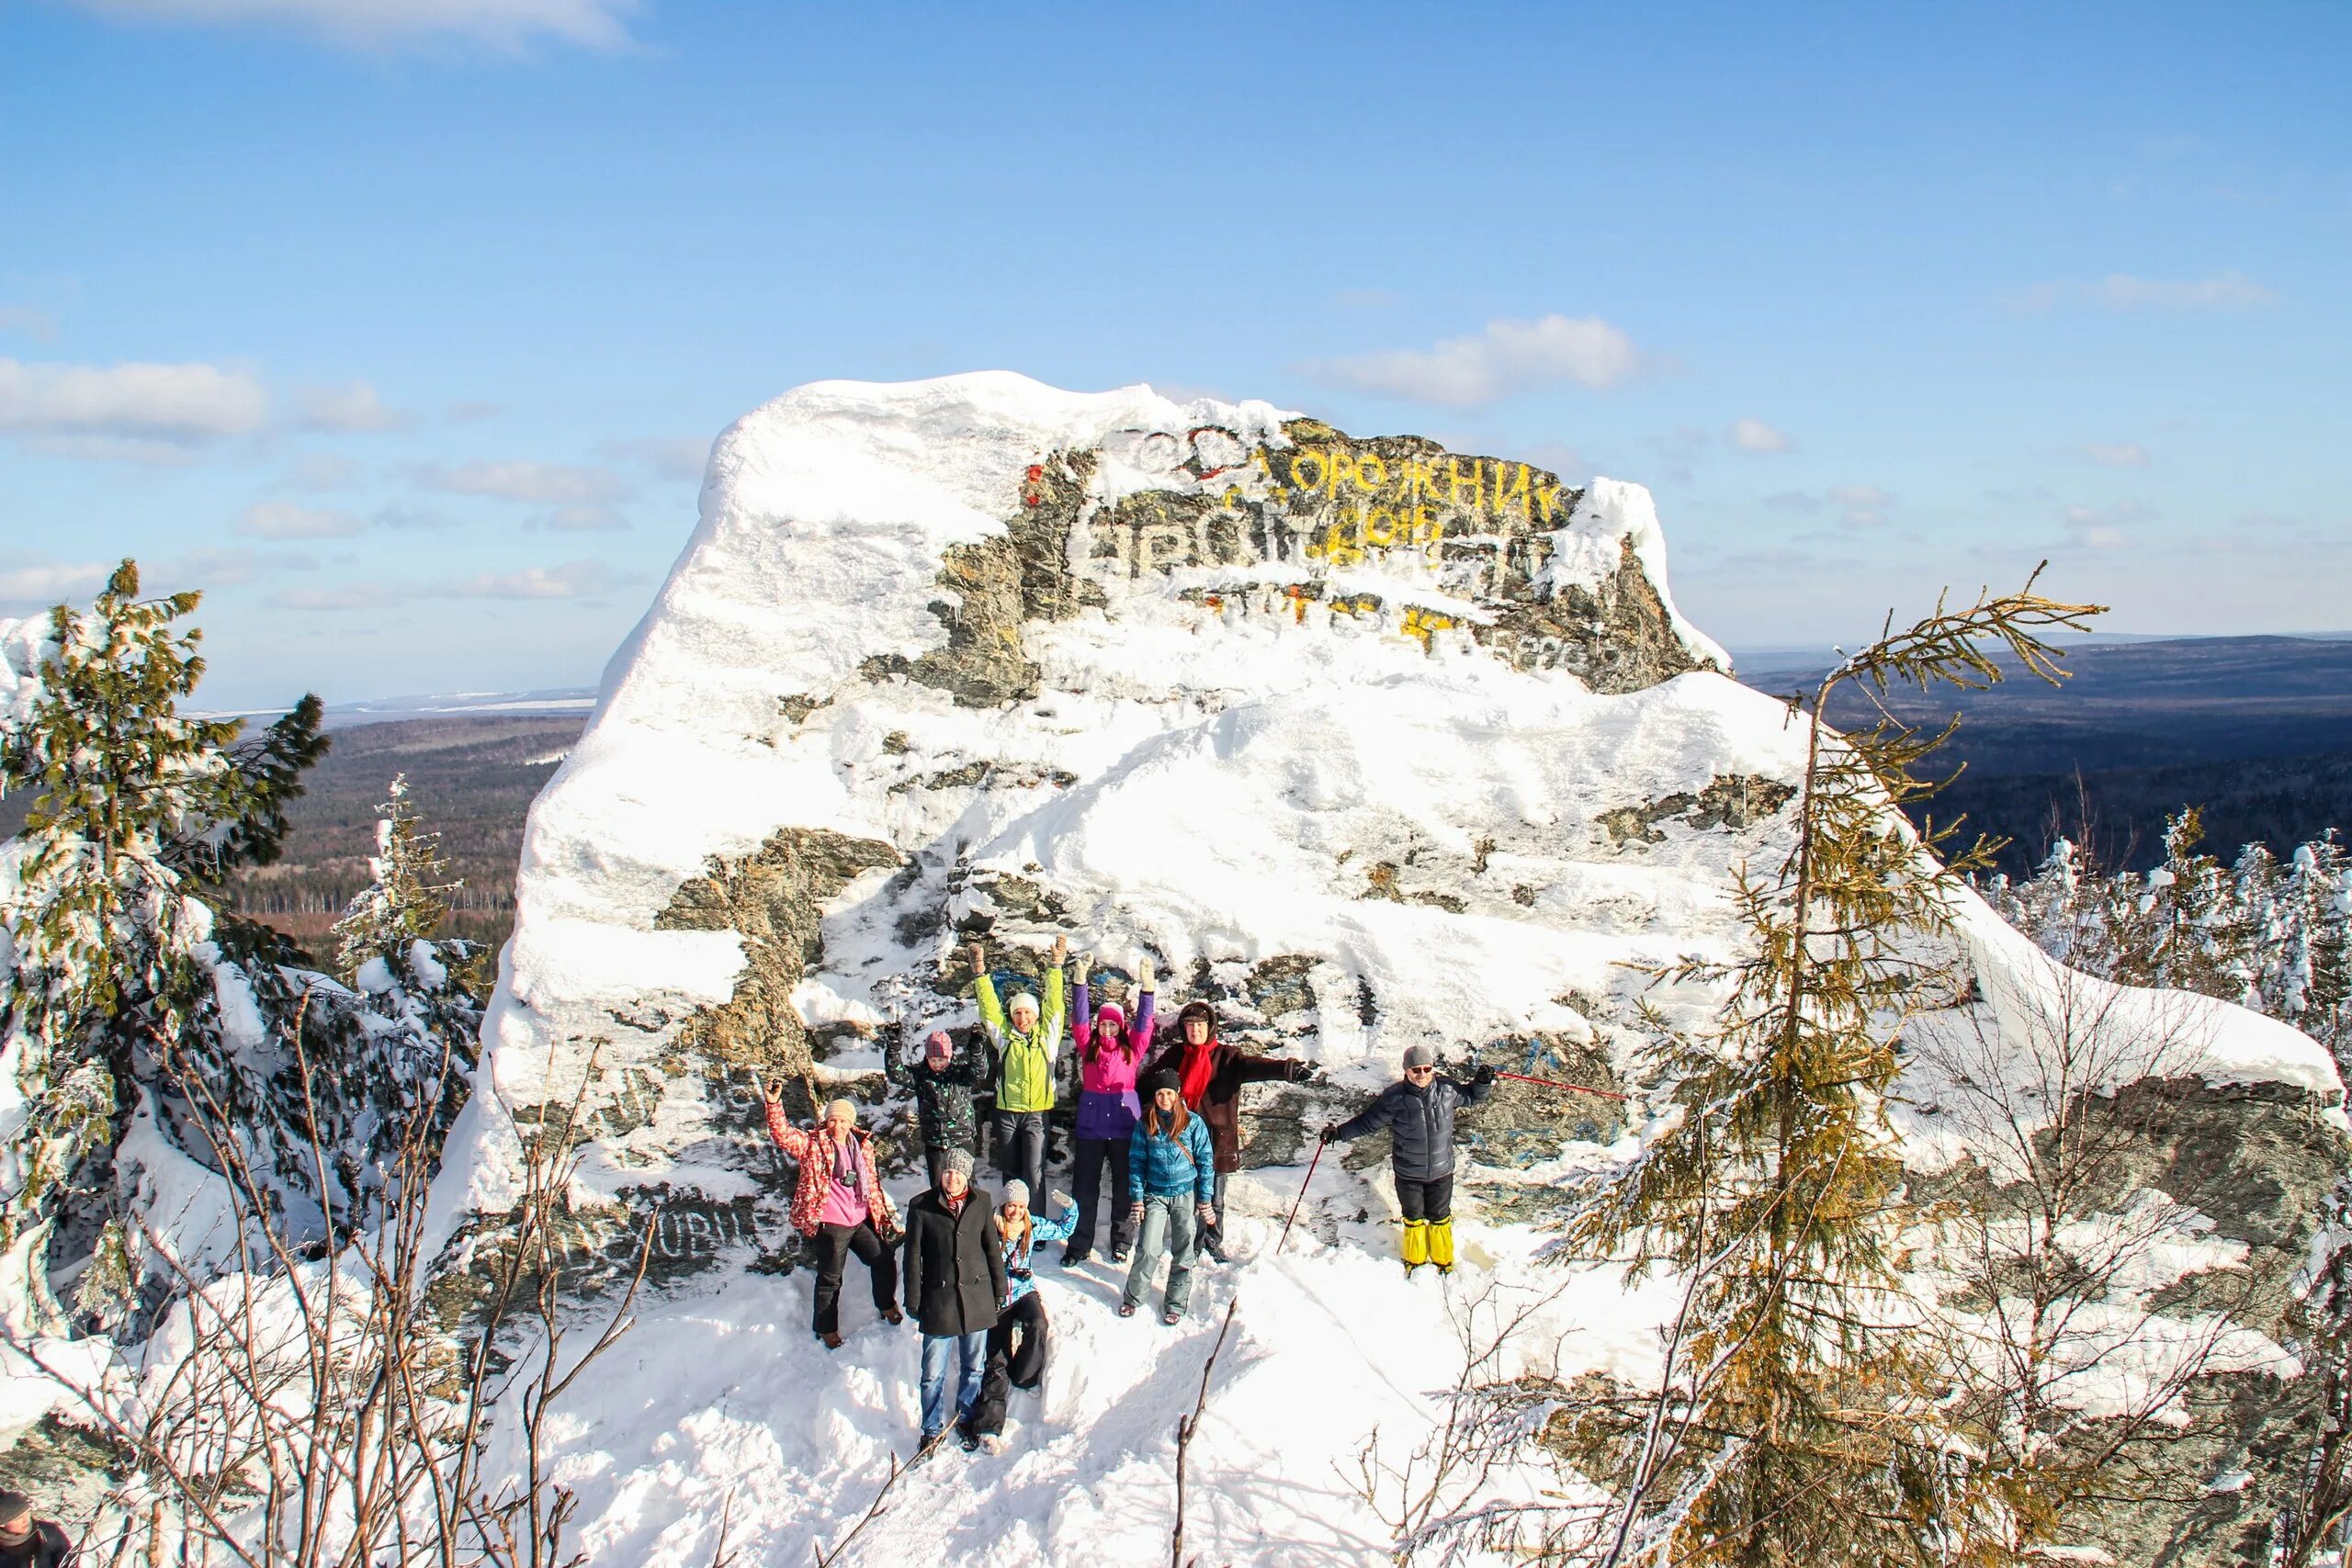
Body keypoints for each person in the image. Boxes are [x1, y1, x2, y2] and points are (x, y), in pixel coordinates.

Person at [1144, 999, 1313, 1261]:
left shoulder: (1227, 1057)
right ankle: (1189, 1244)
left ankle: (1211, 1242)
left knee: (1215, 1198)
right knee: (1187, 1198)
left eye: (1200, 1025)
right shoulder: (1175, 1056)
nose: (1195, 1031)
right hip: (1181, 1138)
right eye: (1189, 1026)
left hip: (1215, 1138)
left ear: (1210, 1027)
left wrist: (1287, 1069)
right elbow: (1149, 1083)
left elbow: (1256, 1066)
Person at [1322, 1044, 1496, 1275]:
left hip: (1442, 1171)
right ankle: (1414, 1261)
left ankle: (1443, 1261)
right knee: (1413, 1218)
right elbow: (1368, 1122)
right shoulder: (1395, 1097)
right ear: (1406, 1070)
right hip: (1408, 1174)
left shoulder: (1446, 1090)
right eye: (1416, 1069)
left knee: (1440, 1217)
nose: (1421, 1074)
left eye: (1426, 1068)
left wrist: (1482, 1082)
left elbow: (1472, 1096)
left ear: (1432, 1069)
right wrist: (1339, 1133)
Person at [761, 1083, 902, 1349]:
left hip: (859, 1219)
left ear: (851, 1123)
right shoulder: (813, 1145)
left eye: (842, 1120)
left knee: (883, 1258)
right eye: (832, 1120)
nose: (837, 1125)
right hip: (831, 1221)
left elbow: (870, 1182)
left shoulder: (861, 1145)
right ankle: (826, 1329)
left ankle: (886, 1304)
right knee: (830, 1277)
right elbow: (783, 1135)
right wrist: (773, 1104)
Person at [900, 1147, 1008, 1453]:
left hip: (977, 1296)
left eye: (958, 1173)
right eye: (947, 1172)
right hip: (939, 1299)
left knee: (974, 1367)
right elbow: (913, 1258)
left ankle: (965, 1418)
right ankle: (931, 1430)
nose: (952, 1178)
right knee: (932, 1373)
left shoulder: (982, 1201)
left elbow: (991, 1249)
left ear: (967, 1177)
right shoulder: (921, 1206)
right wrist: (914, 1298)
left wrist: (1000, 1289)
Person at [965, 1177, 1078, 1450]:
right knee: (996, 1355)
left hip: (1024, 1290)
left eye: (1019, 1206)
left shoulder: (1032, 1225)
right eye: (1009, 1205)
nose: (1013, 1211)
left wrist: (1071, 1206)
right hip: (997, 1295)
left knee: (1038, 1323)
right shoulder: (989, 1226)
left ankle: (1026, 1375)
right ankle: (989, 1425)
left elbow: (1065, 1229)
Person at [1065, 952, 1154, 1265]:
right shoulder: (1088, 1046)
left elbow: (1145, 1023)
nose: (1106, 1030)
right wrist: (1079, 980)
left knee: (1124, 1190)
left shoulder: (1133, 1050)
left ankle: (1121, 1242)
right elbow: (1078, 1016)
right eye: (1103, 1024)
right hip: (1090, 1128)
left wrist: (1148, 989)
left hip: (1124, 1127)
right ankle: (1078, 1246)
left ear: (1120, 1027)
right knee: (1084, 1190)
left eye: (1112, 1026)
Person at [971, 936, 1068, 1205]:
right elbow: (989, 1011)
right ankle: (1012, 1224)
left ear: (1035, 1016)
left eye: (1027, 1013)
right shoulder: (1004, 1038)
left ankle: (1035, 1228)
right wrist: (980, 975)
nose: (1022, 1019)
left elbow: (1055, 1005)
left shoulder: (1047, 1037)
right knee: (1012, 1173)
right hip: (1007, 1114)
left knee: (1035, 1173)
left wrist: (1056, 966)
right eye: (1017, 1014)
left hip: (1037, 1114)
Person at [1122, 1071, 1216, 1325]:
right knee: (1148, 1249)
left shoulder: (1193, 1123)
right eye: (1160, 1093)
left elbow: (1206, 1161)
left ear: (1177, 1095)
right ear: (1154, 1096)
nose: (1164, 1098)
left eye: (1169, 1093)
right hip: (1156, 1195)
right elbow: (1137, 1163)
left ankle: (1175, 1303)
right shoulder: (1146, 1124)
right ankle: (1133, 1298)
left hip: (1185, 1194)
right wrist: (1138, 1198)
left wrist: (1205, 1198)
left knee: (1184, 1250)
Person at [885, 1026, 996, 1189]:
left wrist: (976, 1046)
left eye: (942, 1059)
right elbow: (896, 1074)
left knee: (965, 1184)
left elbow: (979, 1072)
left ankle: (967, 1213)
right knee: (938, 1186)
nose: (938, 1064)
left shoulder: (960, 1073)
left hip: (961, 1139)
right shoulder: (920, 1076)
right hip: (935, 1141)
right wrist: (893, 1046)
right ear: (927, 1058)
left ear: (950, 1056)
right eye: (933, 1060)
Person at [0, 1491, 72, 1568]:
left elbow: (70, 1561)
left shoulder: (47, 1533)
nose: (26, 1520)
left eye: (27, 1513)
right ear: (2, 1524)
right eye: (18, 1518)